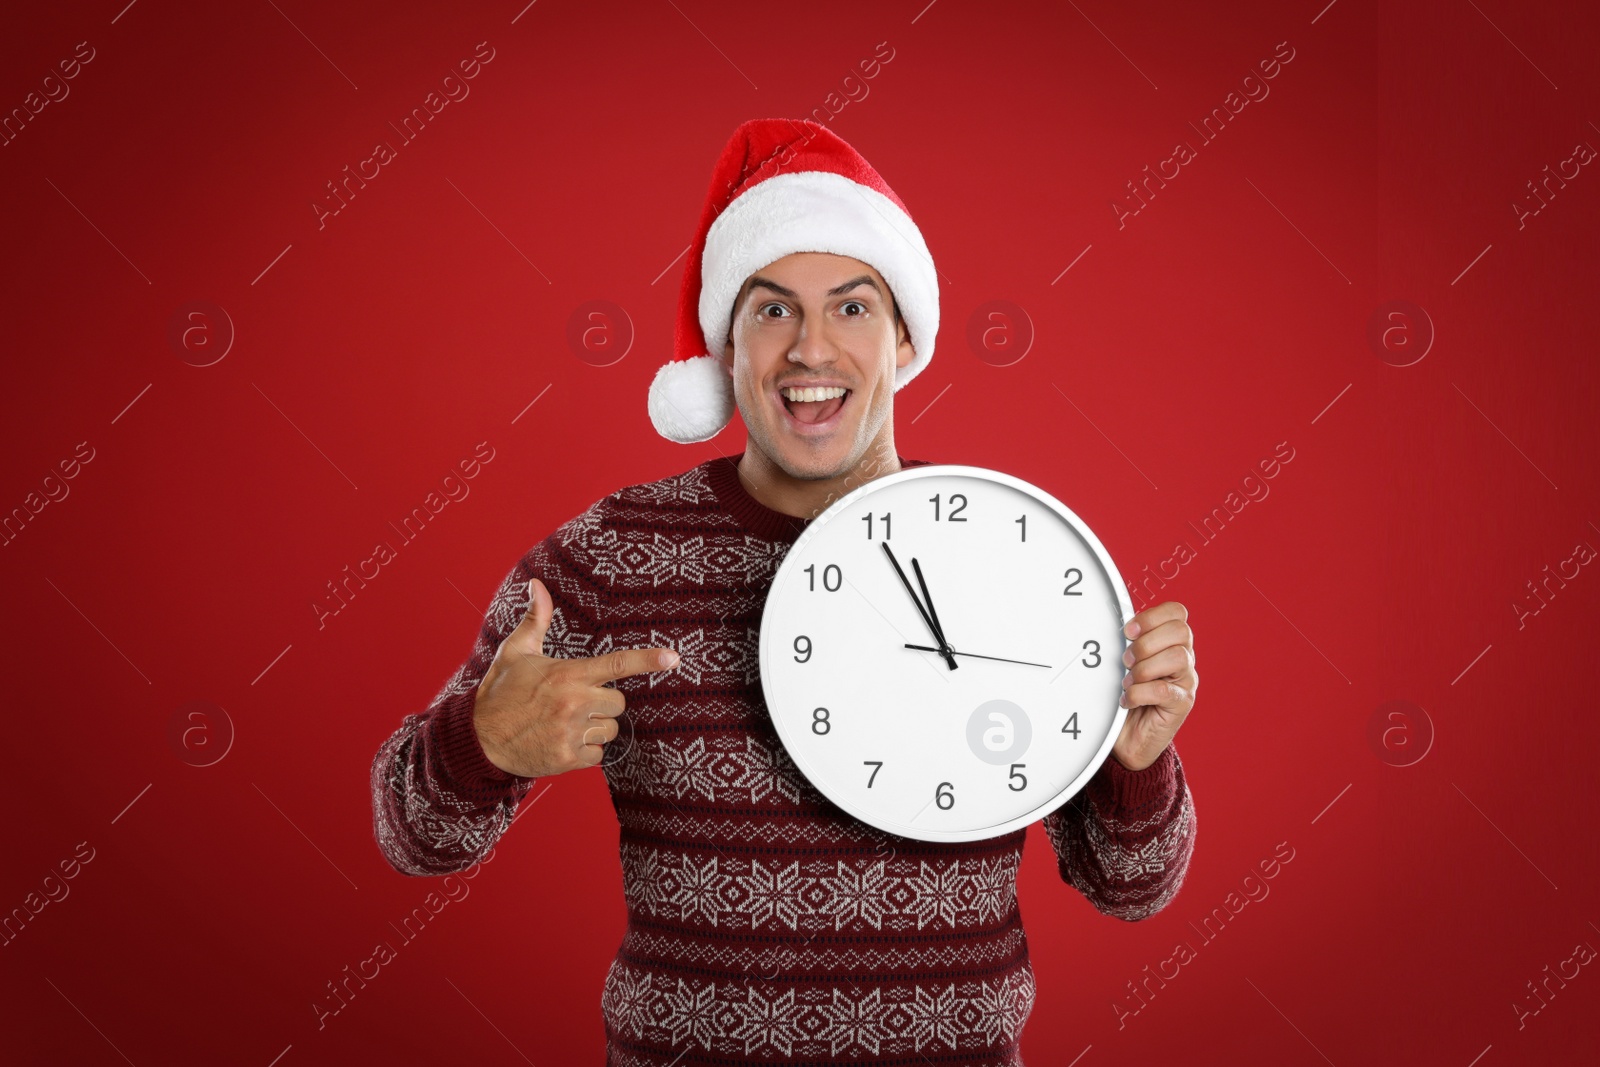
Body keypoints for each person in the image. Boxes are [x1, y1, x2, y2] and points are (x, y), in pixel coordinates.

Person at [370, 117, 1199, 1065]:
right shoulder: (608, 555)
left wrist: (1136, 760)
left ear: (903, 336)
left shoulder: (1008, 546)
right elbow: (411, 831)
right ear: (728, 345)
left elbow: (1133, 886)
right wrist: (480, 742)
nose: (810, 349)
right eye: (772, 310)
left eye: (851, 308)